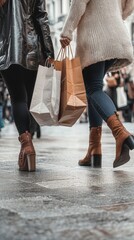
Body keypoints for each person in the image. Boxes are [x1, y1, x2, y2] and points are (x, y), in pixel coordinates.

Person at [60, 0, 134, 168]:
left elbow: (78, 3)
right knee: (93, 89)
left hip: (94, 39)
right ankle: (95, 149)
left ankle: (120, 132)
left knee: (93, 89)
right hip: (116, 35)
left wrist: (67, 32)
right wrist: (114, 17)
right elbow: (130, 4)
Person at [0, 0, 54, 171]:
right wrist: (49, 51)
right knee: (31, 100)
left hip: (8, 48)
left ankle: (26, 144)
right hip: (33, 47)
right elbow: (41, 17)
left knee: (18, 99)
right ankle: (28, 145)